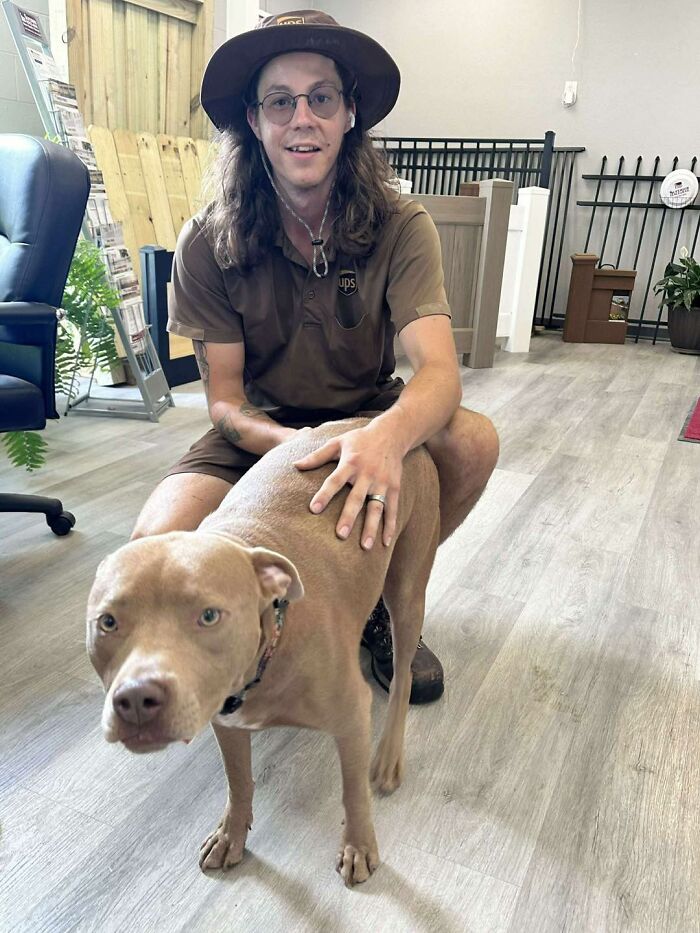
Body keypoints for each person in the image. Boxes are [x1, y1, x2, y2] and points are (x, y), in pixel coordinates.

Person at [131, 10, 499, 705]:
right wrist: (300, 447)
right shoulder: (206, 243)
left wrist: (382, 440)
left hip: (367, 412)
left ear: (349, 113)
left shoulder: (401, 224)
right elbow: (225, 403)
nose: (303, 118)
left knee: (473, 442)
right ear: (255, 119)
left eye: (322, 98)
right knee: (157, 541)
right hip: (260, 432)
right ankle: (256, 633)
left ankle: (387, 610)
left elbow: (439, 373)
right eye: (281, 101)